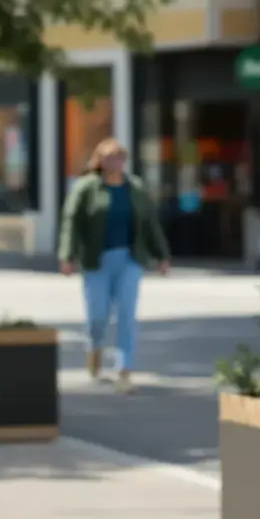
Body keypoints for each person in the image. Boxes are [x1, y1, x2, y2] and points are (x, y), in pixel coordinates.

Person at [58, 137, 171, 393]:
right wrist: (67, 255)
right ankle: (94, 349)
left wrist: (162, 256)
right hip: (96, 260)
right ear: (100, 160)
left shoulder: (136, 188)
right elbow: (71, 222)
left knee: (126, 316)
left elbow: (150, 224)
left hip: (129, 260)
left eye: (120, 157)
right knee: (98, 316)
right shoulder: (86, 187)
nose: (116, 162)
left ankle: (124, 370)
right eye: (110, 157)